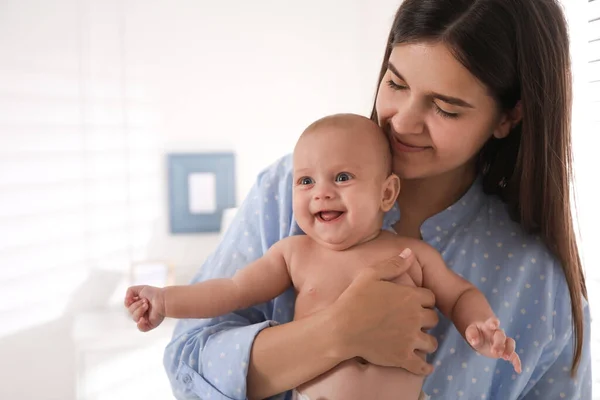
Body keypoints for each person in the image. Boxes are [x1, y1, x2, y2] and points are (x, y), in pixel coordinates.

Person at [163, 0, 591, 399]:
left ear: (508, 116)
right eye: (395, 83)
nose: (402, 122)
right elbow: (188, 362)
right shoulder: (292, 192)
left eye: (445, 108)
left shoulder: (536, 280)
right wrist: (336, 333)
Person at [126, 114, 521, 400]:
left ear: (386, 193)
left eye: (342, 178)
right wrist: (165, 300)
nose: (321, 192)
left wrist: (480, 326)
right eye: (306, 180)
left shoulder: (411, 253)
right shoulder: (294, 253)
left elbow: (459, 294)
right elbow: (229, 291)